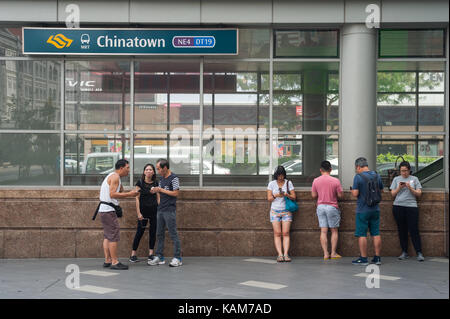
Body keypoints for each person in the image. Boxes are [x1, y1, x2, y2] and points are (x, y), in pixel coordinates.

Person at [98, 159, 139, 270]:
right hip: (108, 210)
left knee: (108, 236)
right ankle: (114, 262)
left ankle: (108, 260)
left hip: (104, 210)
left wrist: (123, 189)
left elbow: (118, 191)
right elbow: (112, 194)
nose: (129, 170)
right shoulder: (115, 177)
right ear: (121, 168)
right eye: (127, 168)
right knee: (113, 236)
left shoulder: (113, 176)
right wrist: (130, 194)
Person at [148, 158, 183, 267]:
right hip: (161, 209)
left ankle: (178, 258)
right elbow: (161, 193)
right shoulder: (161, 179)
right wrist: (155, 191)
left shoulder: (174, 178)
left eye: (158, 169)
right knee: (159, 234)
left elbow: (176, 193)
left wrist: (161, 190)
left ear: (165, 168)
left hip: (169, 210)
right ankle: (160, 257)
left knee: (173, 234)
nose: (157, 171)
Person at [351, 157, 384, 266]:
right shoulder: (377, 175)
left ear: (358, 167)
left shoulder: (358, 177)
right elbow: (381, 190)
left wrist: (353, 190)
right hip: (375, 209)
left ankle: (363, 258)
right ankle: (377, 258)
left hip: (362, 210)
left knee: (362, 234)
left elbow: (355, 193)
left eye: (356, 168)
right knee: (376, 233)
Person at [390, 161, 424, 261]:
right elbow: (392, 194)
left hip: (411, 207)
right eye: (401, 171)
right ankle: (404, 252)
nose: (403, 173)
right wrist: (399, 187)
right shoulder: (396, 179)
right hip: (398, 206)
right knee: (402, 230)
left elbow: (419, 194)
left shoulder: (415, 179)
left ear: (409, 170)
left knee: (414, 229)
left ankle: (419, 252)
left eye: (405, 171)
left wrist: (410, 188)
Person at [311, 160, 344, 260]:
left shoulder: (316, 180)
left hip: (320, 206)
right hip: (332, 206)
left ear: (320, 170)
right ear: (331, 169)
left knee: (323, 231)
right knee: (334, 231)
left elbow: (313, 195)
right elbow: (340, 195)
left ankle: (325, 253)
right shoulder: (336, 181)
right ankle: (333, 253)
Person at [129, 163, 160, 263]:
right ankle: (133, 255)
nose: (148, 171)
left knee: (153, 232)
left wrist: (158, 208)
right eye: (146, 169)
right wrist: (138, 213)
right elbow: (136, 198)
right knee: (139, 232)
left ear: (153, 172)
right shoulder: (140, 183)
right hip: (143, 212)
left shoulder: (156, 183)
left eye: (150, 169)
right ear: (144, 172)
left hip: (154, 211)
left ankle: (151, 254)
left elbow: (158, 197)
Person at [267, 166, 296, 262]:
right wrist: (276, 195)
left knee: (286, 233)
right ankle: (280, 254)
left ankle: (286, 254)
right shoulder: (271, 184)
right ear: (276, 175)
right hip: (274, 211)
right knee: (277, 233)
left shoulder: (288, 183)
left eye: (282, 175)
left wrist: (286, 194)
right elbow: (269, 199)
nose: (281, 177)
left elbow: (294, 197)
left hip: (286, 211)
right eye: (279, 175)